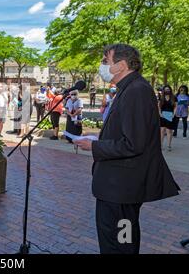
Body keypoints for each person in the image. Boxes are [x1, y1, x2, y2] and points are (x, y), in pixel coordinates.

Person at [74, 44, 180, 254]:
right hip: (118, 186)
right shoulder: (129, 88)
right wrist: (100, 138)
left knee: (121, 244)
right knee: (118, 242)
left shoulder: (136, 91)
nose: (102, 66)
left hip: (122, 188)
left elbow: (134, 143)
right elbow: (128, 133)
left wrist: (94, 146)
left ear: (121, 65)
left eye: (106, 61)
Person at [158, 85, 177, 151]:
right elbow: (159, 106)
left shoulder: (174, 97)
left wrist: (173, 114)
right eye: (166, 89)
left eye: (168, 89)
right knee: (162, 131)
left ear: (170, 90)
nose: (167, 91)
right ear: (164, 90)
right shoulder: (161, 97)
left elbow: (175, 107)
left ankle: (169, 145)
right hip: (162, 115)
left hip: (170, 115)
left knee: (169, 131)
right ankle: (160, 145)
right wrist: (160, 114)